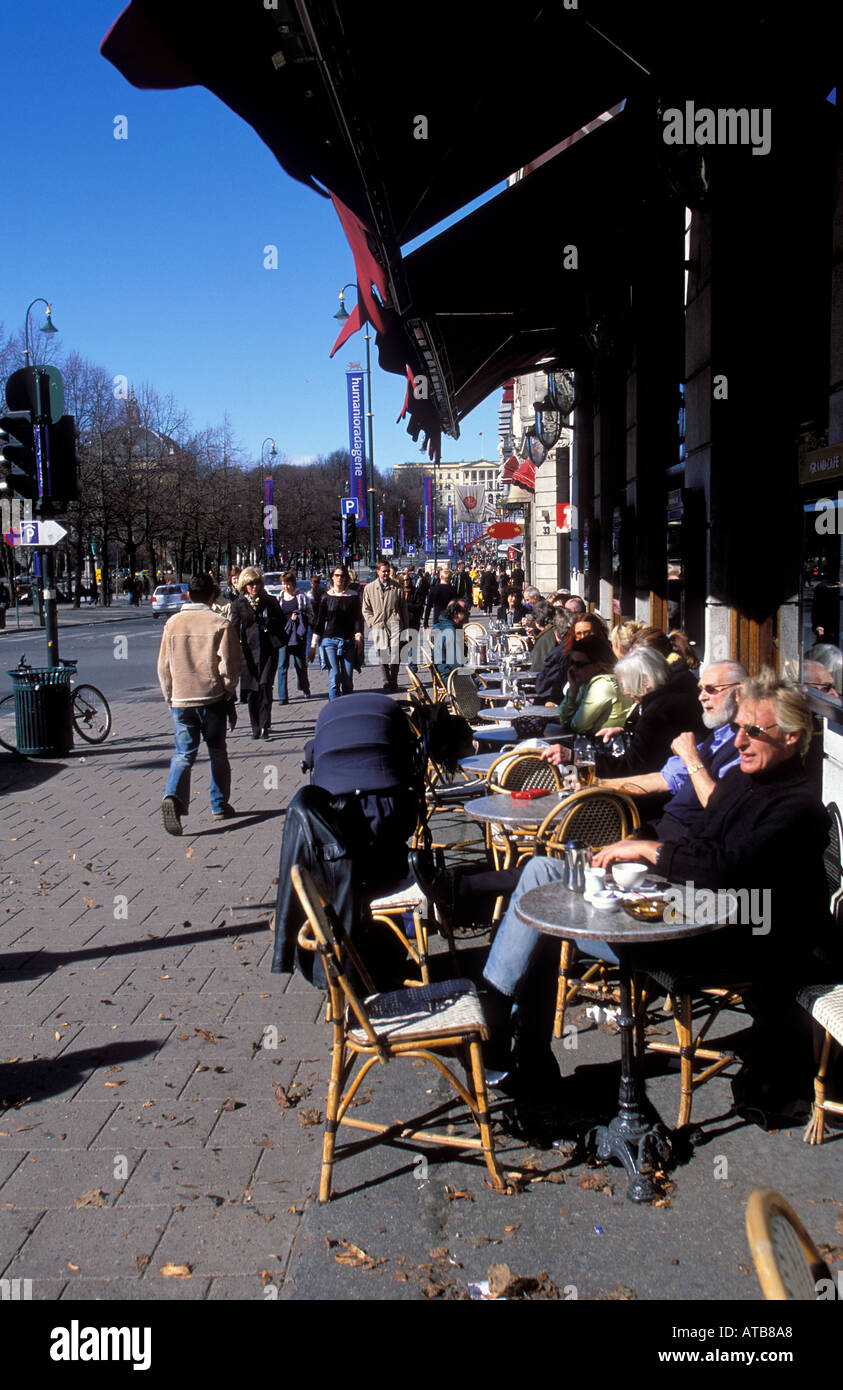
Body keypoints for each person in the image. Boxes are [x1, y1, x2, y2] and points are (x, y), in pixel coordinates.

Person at [483, 673, 836, 1124]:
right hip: (684, 908)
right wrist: (632, 858)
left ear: (792, 737)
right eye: (740, 729)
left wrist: (648, 850)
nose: (741, 741)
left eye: (755, 731)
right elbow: (701, 848)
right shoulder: (746, 785)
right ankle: (515, 1036)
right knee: (544, 872)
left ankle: (508, 1034)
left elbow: (725, 867)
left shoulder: (797, 808)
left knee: (548, 916)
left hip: (725, 938)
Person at [596, 660, 747, 836]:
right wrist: (598, 784)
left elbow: (719, 808)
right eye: (701, 689)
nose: (701, 697)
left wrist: (691, 757)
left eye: (711, 690)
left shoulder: (749, 745)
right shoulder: (721, 732)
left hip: (691, 841)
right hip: (664, 827)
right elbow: (665, 779)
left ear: (740, 692)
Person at [157, 572, 242, 835]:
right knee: (217, 752)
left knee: (183, 753)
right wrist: (229, 690)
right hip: (211, 698)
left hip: (181, 699)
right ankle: (219, 804)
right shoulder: (219, 623)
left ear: (188, 594)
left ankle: (173, 795)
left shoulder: (172, 624)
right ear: (211, 596)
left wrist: (170, 696)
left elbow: (164, 666)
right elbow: (229, 665)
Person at [542, 646, 706, 776]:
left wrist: (575, 757)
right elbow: (655, 740)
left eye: (627, 686)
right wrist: (626, 730)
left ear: (645, 683)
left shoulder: (658, 712)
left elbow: (631, 767)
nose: (626, 692)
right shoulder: (678, 694)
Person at [230, 567, 284, 738]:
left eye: (257, 583)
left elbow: (282, 621)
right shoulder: (239, 603)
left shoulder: (270, 600)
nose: (254, 586)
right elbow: (234, 627)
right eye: (250, 584)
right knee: (252, 690)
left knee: (265, 685)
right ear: (245, 585)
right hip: (248, 652)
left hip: (268, 650)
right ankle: (255, 726)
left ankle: (264, 725)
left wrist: (270, 622)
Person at [553, 634, 633, 735]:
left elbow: (577, 726)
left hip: (604, 746)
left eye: (579, 664)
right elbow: (564, 720)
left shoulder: (603, 684)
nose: (573, 669)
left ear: (598, 665)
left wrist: (573, 693)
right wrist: (573, 690)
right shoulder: (585, 683)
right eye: (571, 662)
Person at [310, 564, 364, 700]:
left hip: (348, 640)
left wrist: (358, 637)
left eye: (342, 575)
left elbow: (357, 619)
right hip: (329, 640)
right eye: (337, 575)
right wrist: (313, 645)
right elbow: (319, 622)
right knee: (334, 676)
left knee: (347, 680)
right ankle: (333, 710)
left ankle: (346, 710)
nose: (340, 578)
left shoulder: (353, 596)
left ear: (346, 578)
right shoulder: (325, 597)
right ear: (332, 577)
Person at [362, 560, 408, 692]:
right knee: (382, 654)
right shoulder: (369, 588)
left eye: (388, 571)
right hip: (378, 625)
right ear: (378, 572)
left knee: (395, 654)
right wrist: (372, 622)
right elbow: (365, 609)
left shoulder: (397, 587)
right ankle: (386, 680)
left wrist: (405, 628)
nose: (386, 573)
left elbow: (403, 608)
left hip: (394, 624)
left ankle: (394, 680)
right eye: (384, 571)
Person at [276, 570, 311, 704]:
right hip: (283, 635)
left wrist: (300, 617)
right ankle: (282, 696)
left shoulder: (301, 597)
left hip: (297, 636)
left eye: (288, 584)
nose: (286, 587)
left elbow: (310, 614)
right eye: (284, 584)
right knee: (282, 665)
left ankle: (304, 688)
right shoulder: (279, 598)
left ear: (293, 584)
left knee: (300, 664)